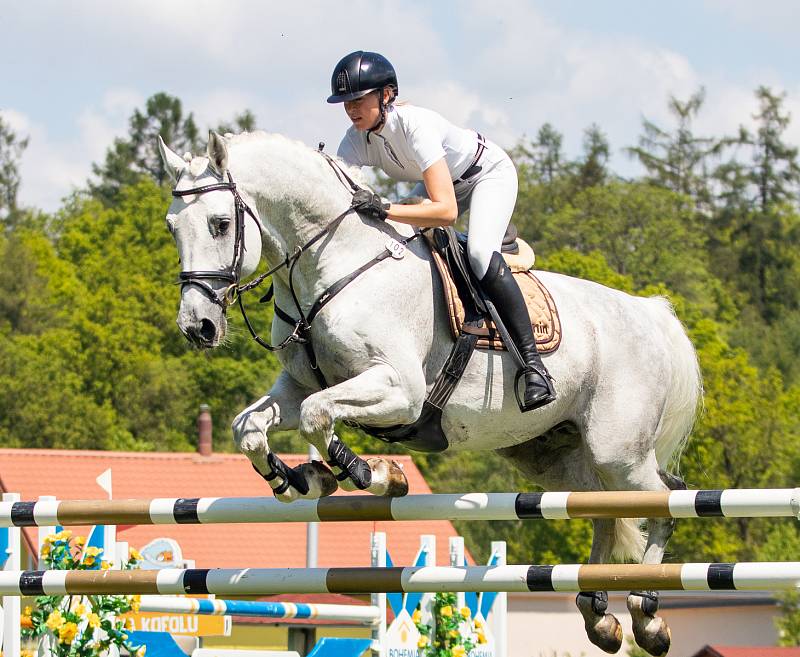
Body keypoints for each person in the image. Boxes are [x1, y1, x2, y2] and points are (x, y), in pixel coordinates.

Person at [328, 50, 555, 412]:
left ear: (386, 95)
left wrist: (386, 208)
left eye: (358, 99)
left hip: (485, 175)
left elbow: (446, 210)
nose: (351, 109)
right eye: (345, 102)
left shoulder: (414, 125)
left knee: (480, 254)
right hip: (443, 184)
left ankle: (534, 368)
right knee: (398, 241)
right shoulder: (355, 140)